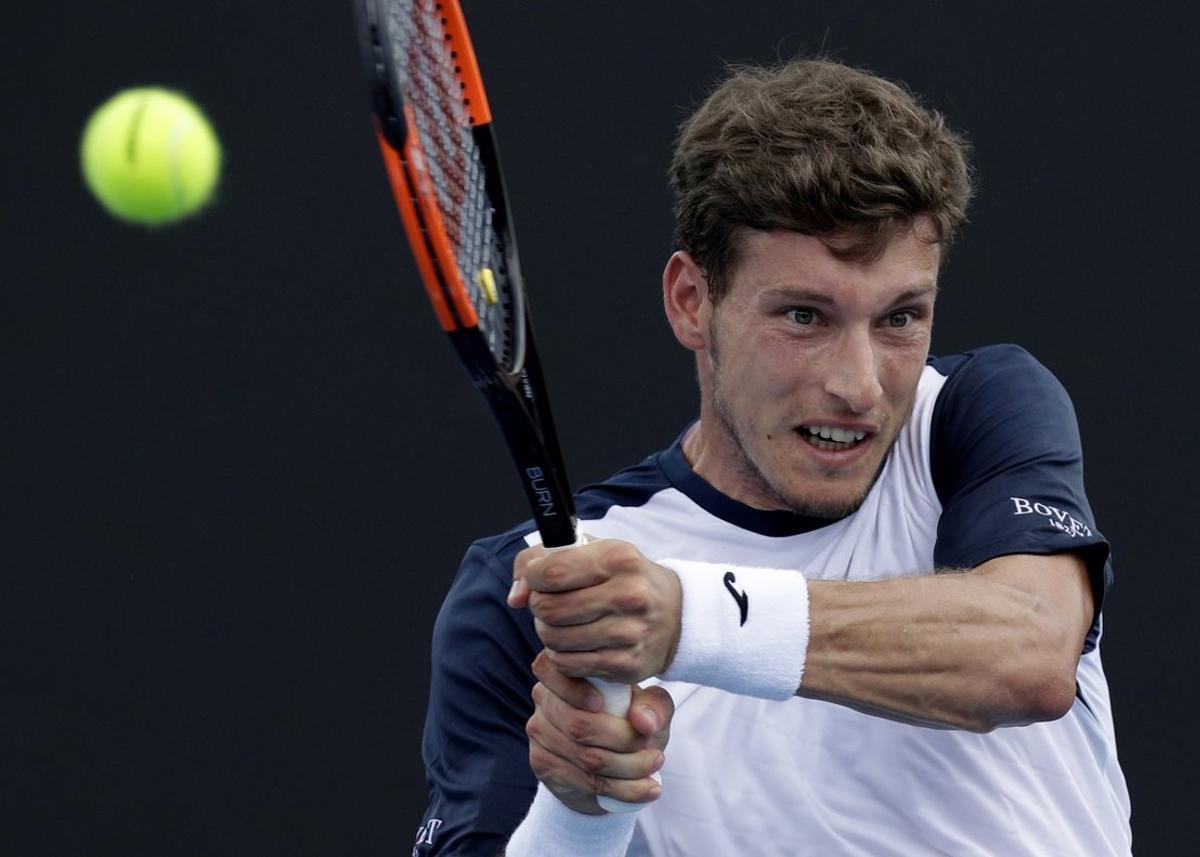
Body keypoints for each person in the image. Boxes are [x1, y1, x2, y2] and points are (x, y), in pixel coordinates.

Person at [412, 58, 1131, 856]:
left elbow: (1028, 655)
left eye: (900, 318)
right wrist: (580, 814)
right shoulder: (529, 593)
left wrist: (687, 615)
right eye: (804, 315)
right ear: (692, 300)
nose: (860, 386)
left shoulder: (972, 411)